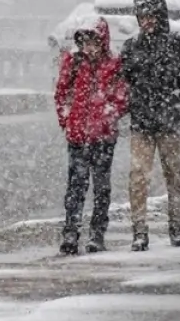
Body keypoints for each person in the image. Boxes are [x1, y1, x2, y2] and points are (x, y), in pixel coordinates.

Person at [119, 0, 180, 251]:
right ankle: (140, 231)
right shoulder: (131, 47)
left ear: (160, 16)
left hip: (169, 123)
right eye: (142, 16)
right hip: (143, 123)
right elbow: (124, 84)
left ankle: (177, 227)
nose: (146, 21)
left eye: (151, 16)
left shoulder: (178, 45)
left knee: (174, 177)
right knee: (138, 177)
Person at [54, 15, 128, 255]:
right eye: (85, 42)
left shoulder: (114, 65)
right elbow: (62, 94)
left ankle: (97, 233)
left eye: (94, 42)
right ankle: (71, 231)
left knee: (101, 187)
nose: (89, 48)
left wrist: (108, 116)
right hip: (77, 137)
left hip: (103, 138)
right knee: (75, 187)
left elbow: (122, 97)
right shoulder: (74, 63)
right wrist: (67, 119)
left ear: (103, 41)